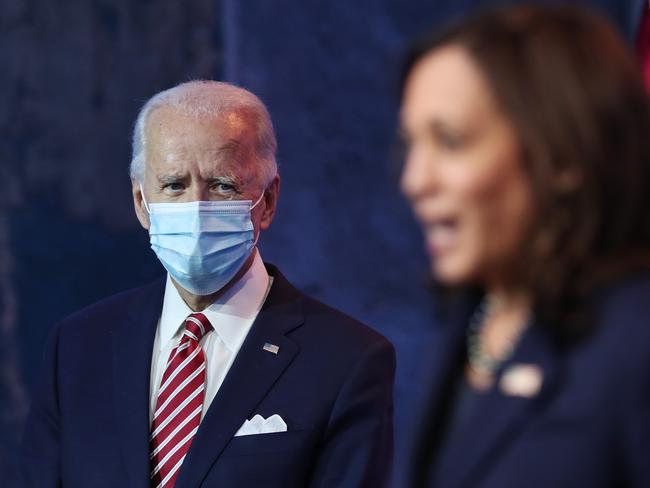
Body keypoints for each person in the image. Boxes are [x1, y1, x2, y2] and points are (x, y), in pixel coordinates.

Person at [20, 81, 395, 488]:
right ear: (141, 202)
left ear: (267, 201)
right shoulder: (77, 347)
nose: (196, 208)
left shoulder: (347, 359)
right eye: (174, 185)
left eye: (222, 185)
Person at [398, 5, 650, 488]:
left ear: (561, 155)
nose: (414, 180)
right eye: (410, 144)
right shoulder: (470, 323)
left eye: (450, 142)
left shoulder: (637, 341)